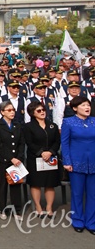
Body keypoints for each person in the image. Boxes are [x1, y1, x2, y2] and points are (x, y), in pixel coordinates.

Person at [61, 96, 95, 234]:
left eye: (88, 105)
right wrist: (67, 161)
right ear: (75, 108)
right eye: (83, 105)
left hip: (93, 161)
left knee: (93, 194)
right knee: (77, 193)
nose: (87, 107)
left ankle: (91, 222)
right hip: (76, 163)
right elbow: (65, 143)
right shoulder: (68, 122)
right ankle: (78, 220)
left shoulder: (94, 121)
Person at [24, 101, 60, 219]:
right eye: (39, 111)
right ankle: (38, 207)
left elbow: (57, 142)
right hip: (35, 158)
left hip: (50, 158)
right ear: (33, 113)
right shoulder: (28, 127)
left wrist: (50, 152)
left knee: (50, 184)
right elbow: (29, 142)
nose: (42, 112)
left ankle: (49, 207)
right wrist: (41, 152)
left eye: (43, 110)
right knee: (36, 183)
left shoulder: (52, 125)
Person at [0, 100, 25, 220]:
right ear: (2, 112)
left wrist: (19, 157)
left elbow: (21, 142)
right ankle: (2, 209)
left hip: (17, 160)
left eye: (13, 110)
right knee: (2, 185)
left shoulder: (17, 124)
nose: (12, 112)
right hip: (3, 160)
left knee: (16, 184)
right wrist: (11, 158)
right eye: (9, 110)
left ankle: (17, 210)